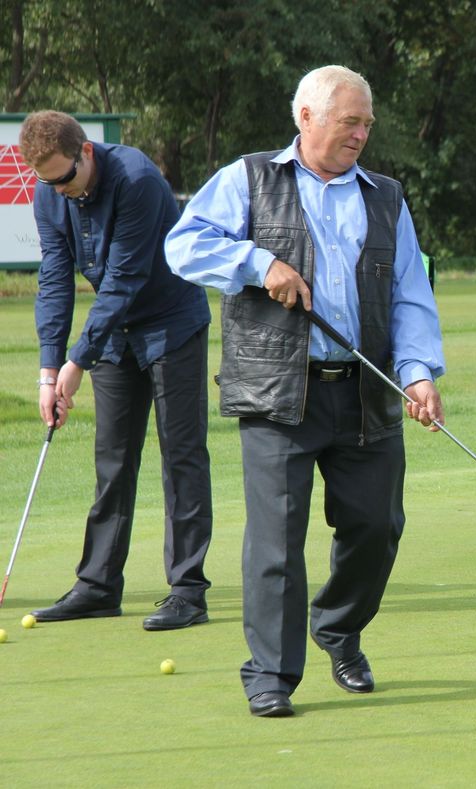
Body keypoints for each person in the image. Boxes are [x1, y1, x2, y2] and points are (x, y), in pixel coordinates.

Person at [166, 65, 445, 718]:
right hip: (276, 393)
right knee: (276, 543)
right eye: (351, 121)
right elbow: (183, 245)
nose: (362, 134)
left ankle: (339, 627)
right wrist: (260, 264)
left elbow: (410, 292)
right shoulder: (250, 179)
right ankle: (270, 672)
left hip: (364, 392)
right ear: (307, 118)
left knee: (377, 527)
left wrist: (419, 372)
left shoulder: (386, 197)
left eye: (368, 123)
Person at [19, 111, 213, 631]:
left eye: (65, 178)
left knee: (182, 456)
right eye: (47, 182)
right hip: (116, 335)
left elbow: (124, 278)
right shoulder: (49, 193)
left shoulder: (138, 180)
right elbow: (56, 280)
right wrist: (48, 368)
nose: (59, 190)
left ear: (85, 153)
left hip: (172, 325)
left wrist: (77, 361)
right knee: (112, 460)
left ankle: (188, 590)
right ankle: (99, 585)